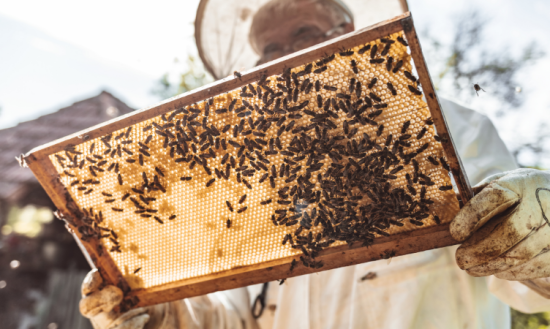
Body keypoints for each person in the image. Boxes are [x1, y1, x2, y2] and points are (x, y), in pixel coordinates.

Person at [79, 0, 550, 328]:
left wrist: (541, 236)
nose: (287, 59)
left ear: (347, 34)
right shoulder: (256, 176)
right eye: (270, 50)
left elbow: (529, 281)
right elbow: (238, 317)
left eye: (302, 35)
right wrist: (161, 317)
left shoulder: (454, 126)